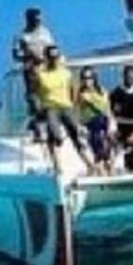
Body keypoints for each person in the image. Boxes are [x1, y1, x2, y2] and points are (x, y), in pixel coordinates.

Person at [31, 44, 93, 173]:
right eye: (51, 57)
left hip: (66, 106)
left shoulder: (66, 73)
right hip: (50, 107)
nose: (54, 59)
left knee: (76, 135)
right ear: (46, 58)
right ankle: (57, 166)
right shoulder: (41, 74)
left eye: (56, 57)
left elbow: (73, 91)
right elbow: (34, 92)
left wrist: (74, 108)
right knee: (56, 136)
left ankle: (89, 164)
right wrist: (38, 107)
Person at [12, 7, 55, 142]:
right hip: (31, 71)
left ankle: (51, 127)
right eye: (35, 19)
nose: (38, 21)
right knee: (34, 101)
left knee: (49, 100)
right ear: (28, 19)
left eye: (39, 19)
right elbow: (15, 55)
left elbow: (53, 49)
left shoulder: (46, 33)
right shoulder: (21, 36)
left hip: (47, 70)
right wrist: (28, 55)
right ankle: (38, 130)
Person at [75, 68, 115, 175]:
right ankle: (102, 176)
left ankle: (110, 175)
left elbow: (106, 108)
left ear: (94, 79)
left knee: (108, 154)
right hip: (91, 126)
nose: (87, 81)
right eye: (84, 78)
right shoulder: (81, 94)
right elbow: (78, 111)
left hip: (103, 123)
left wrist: (111, 123)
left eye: (89, 78)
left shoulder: (101, 90)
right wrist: (80, 126)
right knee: (98, 154)